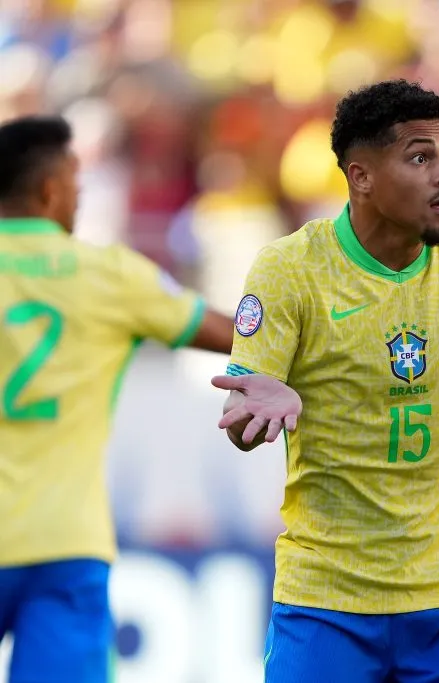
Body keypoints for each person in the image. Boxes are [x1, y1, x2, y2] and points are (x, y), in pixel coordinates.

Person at [210, 79, 439, 683]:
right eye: (419, 156)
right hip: (326, 600)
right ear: (362, 177)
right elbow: (242, 424)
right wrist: (259, 412)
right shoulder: (290, 268)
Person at [0, 115, 235, 683]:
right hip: (64, 542)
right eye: (76, 180)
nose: (81, 195)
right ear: (49, 189)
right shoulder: (109, 275)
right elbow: (234, 334)